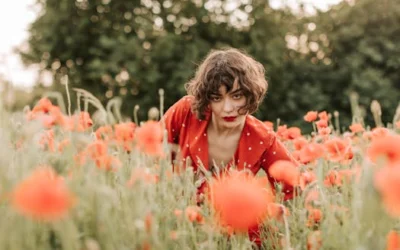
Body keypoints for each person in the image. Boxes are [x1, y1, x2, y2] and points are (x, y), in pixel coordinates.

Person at [162, 48, 297, 246]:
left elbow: (297, 188)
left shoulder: (262, 138)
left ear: (251, 95)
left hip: (235, 240)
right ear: (207, 98)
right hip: (179, 231)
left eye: (236, 96)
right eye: (217, 98)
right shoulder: (186, 112)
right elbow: (147, 155)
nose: (227, 108)